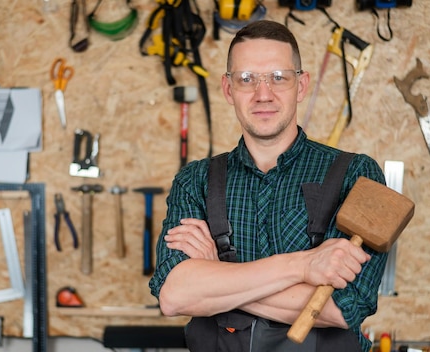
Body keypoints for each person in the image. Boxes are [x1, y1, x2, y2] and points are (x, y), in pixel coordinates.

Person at [148, 20, 387, 352]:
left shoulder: (357, 175)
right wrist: (303, 266)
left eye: (278, 77)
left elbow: (341, 308)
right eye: (247, 79)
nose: (263, 94)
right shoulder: (195, 181)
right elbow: (175, 296)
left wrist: (217, 275)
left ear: (301, 85)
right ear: (228, 89)